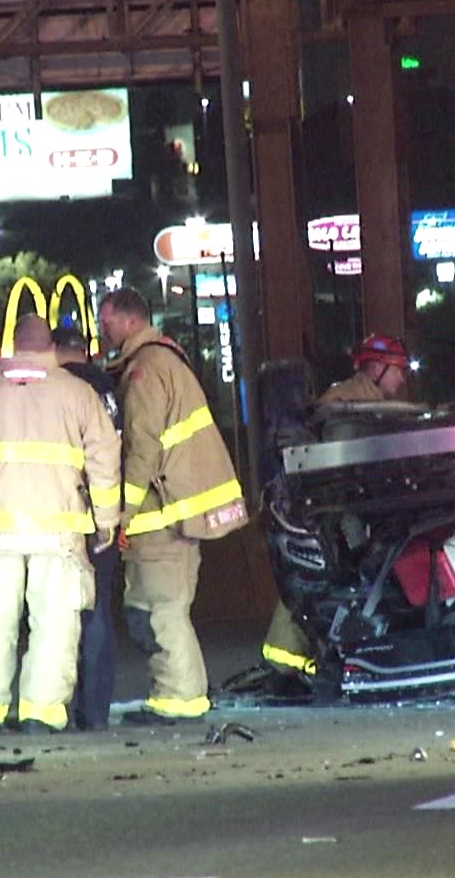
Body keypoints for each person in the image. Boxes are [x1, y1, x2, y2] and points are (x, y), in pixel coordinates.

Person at [0, 314, 120, 734]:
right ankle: (41, 712)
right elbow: (104, 461)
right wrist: (106, 521)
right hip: (60, 532)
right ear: (51, 349)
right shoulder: (78, 394)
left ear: (12, 347)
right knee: (54, 623)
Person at [98, 287, 248, 724]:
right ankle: (180, 694)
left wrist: (118, 514)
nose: (101, 329)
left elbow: (141, 450)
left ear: (130, 321)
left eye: (106, 321)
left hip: (163, 517)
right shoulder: (164, 361)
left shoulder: (145, 370)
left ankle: (178, 699)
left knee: (158, 610)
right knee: (161, 608)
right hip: (176, 512)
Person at [258, 332, 415, 682]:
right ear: (375, 367)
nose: (402, 379)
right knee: (330, 587)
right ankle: (293, 668)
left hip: (341, 515)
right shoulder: (349, 403)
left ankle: (292, 665)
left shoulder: (362, 400)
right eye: (397, 370)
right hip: (337, 519)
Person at [54, 322, 123, 731]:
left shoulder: (52, 389)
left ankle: (57, 708)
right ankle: (95, 712)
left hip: (57, 513)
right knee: (97, 613)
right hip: (99, 516)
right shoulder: (108, 390)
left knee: (56, 613)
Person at [319, 333, 411, 403]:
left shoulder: (372, 400)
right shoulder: (341, 400)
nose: (401, 379)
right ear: (377, 370)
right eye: (397, 371)